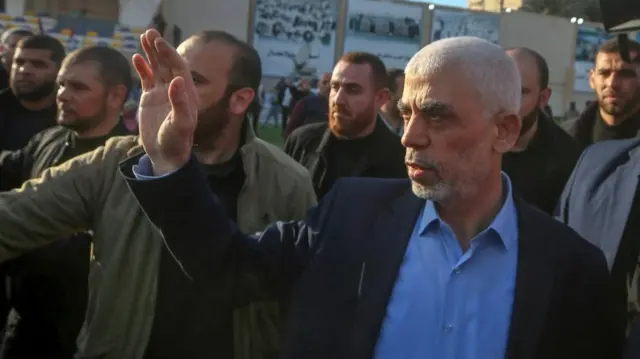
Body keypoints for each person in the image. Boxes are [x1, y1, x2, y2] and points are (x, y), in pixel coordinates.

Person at [125, 36, 620, 359]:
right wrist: (169, 162)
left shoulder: (570, 269)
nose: (409, 137)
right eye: (405, 114)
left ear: (505, 131)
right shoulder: (350, 214)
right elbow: (230, 270)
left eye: (437, 117)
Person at [0, 29, 316, 359]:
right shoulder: (116, 162)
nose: (170, 91)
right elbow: (17, 215)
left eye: (191, 80)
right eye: (166, 76)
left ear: (240, 100)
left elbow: (306, 301)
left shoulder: (286, 182)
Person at [0, 45, 132, 359]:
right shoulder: (48, 140)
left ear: (116, 96)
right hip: (24, 323)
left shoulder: (132, 164)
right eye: (61, 83)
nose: (62, 94)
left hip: (85, 330)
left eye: (78, 87)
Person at [284, 52, 406, 199]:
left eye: (353, 89)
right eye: (334, 87)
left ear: (380, 97)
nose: (338, 99)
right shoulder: (301, 142)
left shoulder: (400, 160)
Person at [502, 48, 581, 214]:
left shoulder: (568, 159)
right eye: (502, 89)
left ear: (543, 98)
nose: (507, 102)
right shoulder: (470, 142)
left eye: (521, 92)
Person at [564, 38, 640, 152]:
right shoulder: (561, 141)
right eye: (604, 73)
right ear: (592, 79)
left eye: (625, 74)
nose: (612, 83)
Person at [0, 35, 65, 151]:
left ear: (60, 70)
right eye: (19, 62)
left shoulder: (72, 115)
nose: (24, 70)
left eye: (38, 64)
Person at [284, 72, 330, 138]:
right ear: (318, 85)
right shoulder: (305, 103)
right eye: (324, 82)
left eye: (332, 83)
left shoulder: (341, 106)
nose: (328, 86)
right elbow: (290, 131)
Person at [380, 68, 404, 136]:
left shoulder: (412, 126)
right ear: (387, 94)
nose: (409, 97)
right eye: (404, 92)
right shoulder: (368, 126)